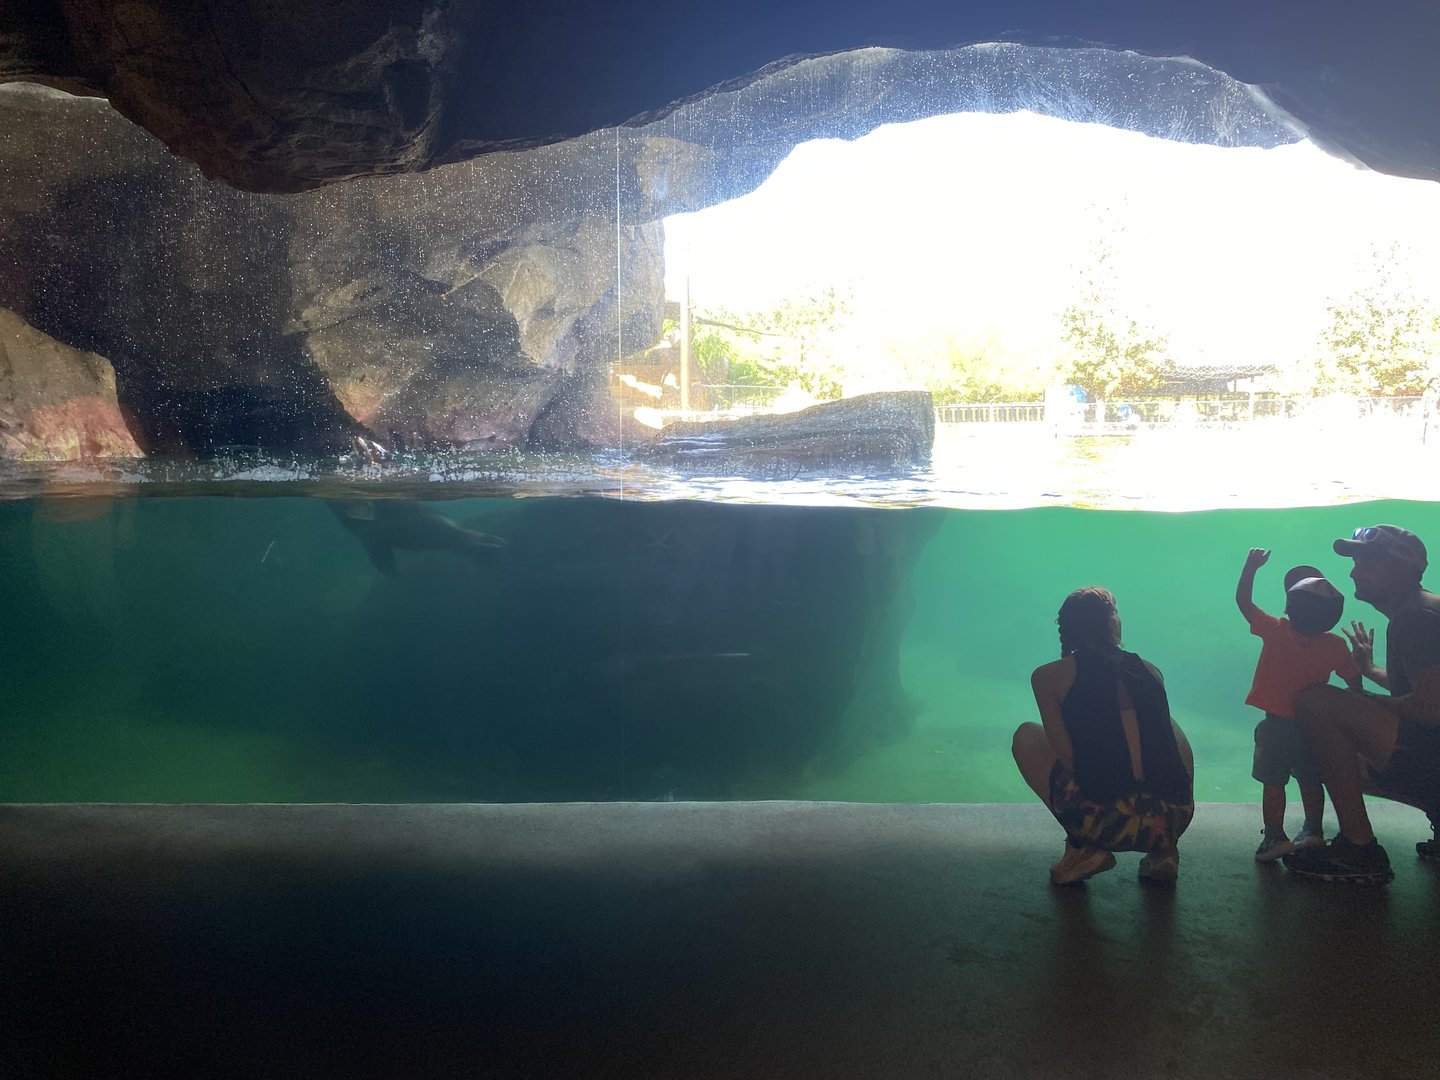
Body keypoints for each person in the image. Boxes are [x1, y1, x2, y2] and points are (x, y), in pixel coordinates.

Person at [1286, 525, 1440, 885]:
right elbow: (1422, 690)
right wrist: (1369, 670)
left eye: (1367, 561)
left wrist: (1364, 699)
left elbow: (1433, 707)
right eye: (1355, 563)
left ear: (1403, 568)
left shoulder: (1415, 618)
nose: (1355, 572)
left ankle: (1359, 849)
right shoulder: (1421, 609)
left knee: (1316, 703)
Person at [1012, 587, 1195, 886]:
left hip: (1103, 825)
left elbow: (1068, 759)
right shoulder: (1151, 671)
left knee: (1026, 736)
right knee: (1171, 726)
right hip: (1170, 822)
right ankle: (1165, 853)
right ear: (1111, 623)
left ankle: (1082, 850)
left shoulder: (1046, 677)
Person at [1236, 549, 1362, 862]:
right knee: (1310, 776)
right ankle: (1313, 830)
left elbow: (1243, 602)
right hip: (1313, 725)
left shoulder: (1276, 630)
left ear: (1290, 607)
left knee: (1273, 780)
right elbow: (1353, 680)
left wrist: (1251, 567)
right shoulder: (1336, 645)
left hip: (1277, 725)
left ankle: (1274, 837)